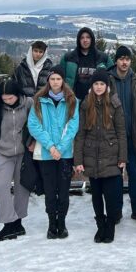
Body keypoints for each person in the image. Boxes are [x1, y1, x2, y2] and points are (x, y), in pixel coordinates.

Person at [74, 69, 128, 244]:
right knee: (96, 196)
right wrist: (79, 160)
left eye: (101, 84)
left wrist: (122, 158)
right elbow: (80, 133)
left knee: (111, 197)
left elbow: (121, 132)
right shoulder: (85, 104)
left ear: (107, 86)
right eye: (96, 84)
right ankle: (100, 226)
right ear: (92, 86)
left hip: (111, 156)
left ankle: (110, 226)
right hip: (92, 156)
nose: (98, 87)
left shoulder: (114, 104)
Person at [28, 66, 80, 239]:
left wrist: (61, 148)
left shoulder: (72, 100)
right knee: (50, 191)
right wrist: (51, 147)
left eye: (58, 79)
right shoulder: (39, 100)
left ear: (63, 80)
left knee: (63, 191)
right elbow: (34, 125)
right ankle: (52, 223)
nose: (55, 82)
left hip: (65, 155)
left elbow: (72, 126)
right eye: (52, 79)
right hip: (46, 154)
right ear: (48, 81)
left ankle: (62, 223)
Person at [0, 79, 32, 241]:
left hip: (23, 153)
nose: (8, 101)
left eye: (11, 98)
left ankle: (18, 223)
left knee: (22, 188)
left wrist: (31, 144)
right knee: (1, 187)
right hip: (2, 153)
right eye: (4, 99)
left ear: (18, 95)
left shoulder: (28, 104)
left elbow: (36, 125)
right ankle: (8, 223)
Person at [108, 45, 136, 225]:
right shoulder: (108, 81)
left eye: (127, 59)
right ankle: (116, 211)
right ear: (116, 61)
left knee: (134, 174)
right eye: (121, 59)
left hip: (133, 137)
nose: (124, 62)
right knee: (115, 176)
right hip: (114, 137)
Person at [60, 27, 113, 100]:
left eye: (88, 37)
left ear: (92, 39)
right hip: (74, 101)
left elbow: (112, 78)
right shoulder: (68, 58)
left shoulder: (104, 58)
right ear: (78, 40)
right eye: (82, 38)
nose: (85, 40)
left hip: (96, 102)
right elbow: (60, 79)